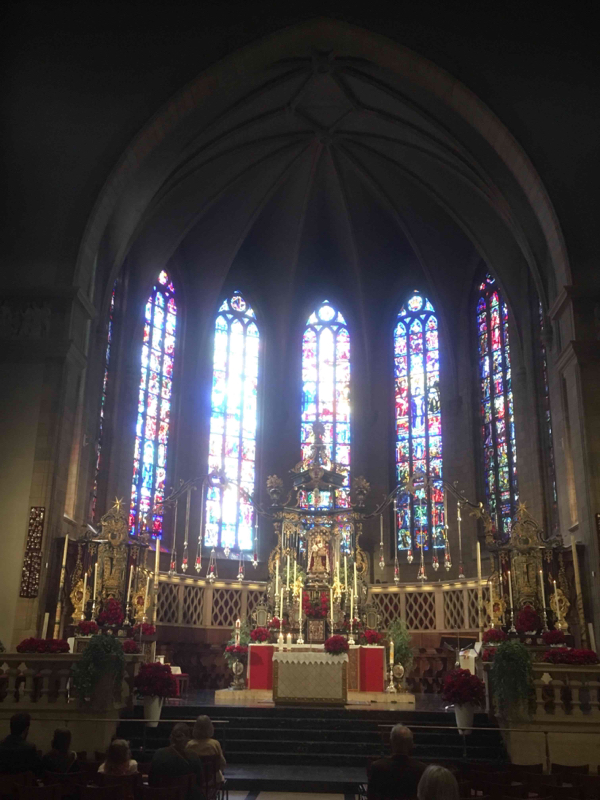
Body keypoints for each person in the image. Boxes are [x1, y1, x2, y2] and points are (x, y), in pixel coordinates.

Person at [367, 725, 426, 800]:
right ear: (411, 744)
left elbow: (371, 796)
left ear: (391, 742)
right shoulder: (421, 769)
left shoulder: (377, 767)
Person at [149, 723, 204, 798]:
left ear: (171, 737)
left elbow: (152, 781)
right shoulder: (193, 757)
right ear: (188, 739)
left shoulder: (158, 754)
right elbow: (200, 782)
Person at [186, 716, 225, 783]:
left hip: (194, 780)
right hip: (212, 780)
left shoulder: (189, 745)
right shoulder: (215, 744)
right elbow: (222, 763)